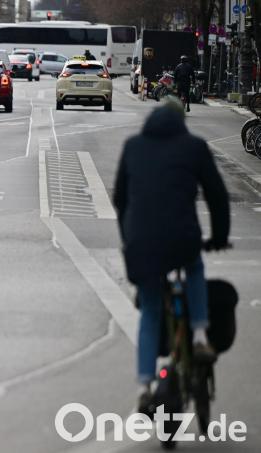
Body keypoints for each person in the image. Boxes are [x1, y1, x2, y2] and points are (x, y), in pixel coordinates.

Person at [113, 97, 230, 413]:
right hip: (182, 239)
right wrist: (219, 237)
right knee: (193, 267)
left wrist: (129, 241)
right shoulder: (194, 146)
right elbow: (217, 195)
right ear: (181, 122)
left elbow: (120, 199)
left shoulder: (133, 145)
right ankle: (201, 336)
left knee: (151, 309)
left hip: (141, 244)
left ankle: (144, 385)